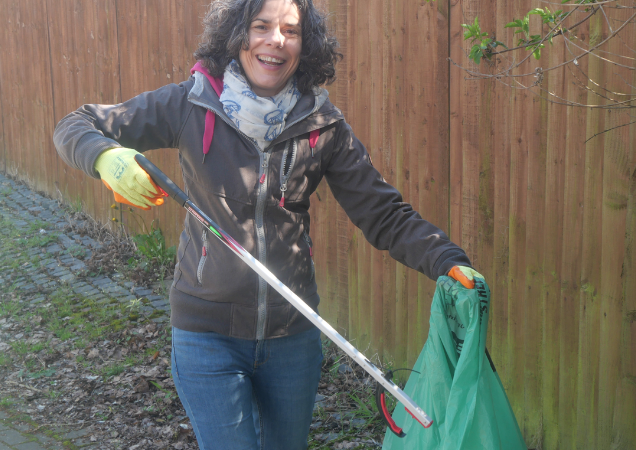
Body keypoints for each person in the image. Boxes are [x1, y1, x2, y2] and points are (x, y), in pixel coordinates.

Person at [53, 0, 485, 448]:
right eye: (260, 26)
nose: (275, 41)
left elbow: (384, 214)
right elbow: (75, 124)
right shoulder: (191, 103)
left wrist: (446, 260)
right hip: (207, 335)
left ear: (305, 45)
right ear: (237, 35)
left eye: (291, 31)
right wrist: (103, 155)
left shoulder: (322, 125)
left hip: (291, 339)